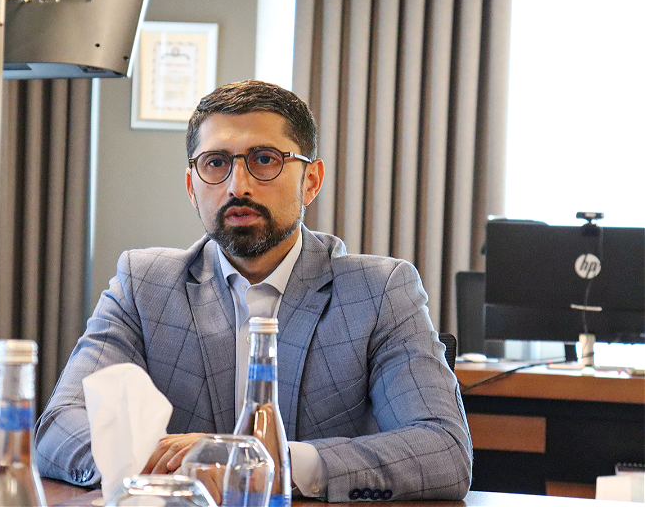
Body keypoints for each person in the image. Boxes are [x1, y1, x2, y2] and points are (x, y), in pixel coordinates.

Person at [34, 80, 472, 502]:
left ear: (311, 180)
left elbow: (443, 449)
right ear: (191, 187)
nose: (237, 186)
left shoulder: (379, 292)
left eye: (264, 160)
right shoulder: (144, 284)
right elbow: (59, 427)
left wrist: (263, 465)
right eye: (215, 163)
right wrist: (169, 467)